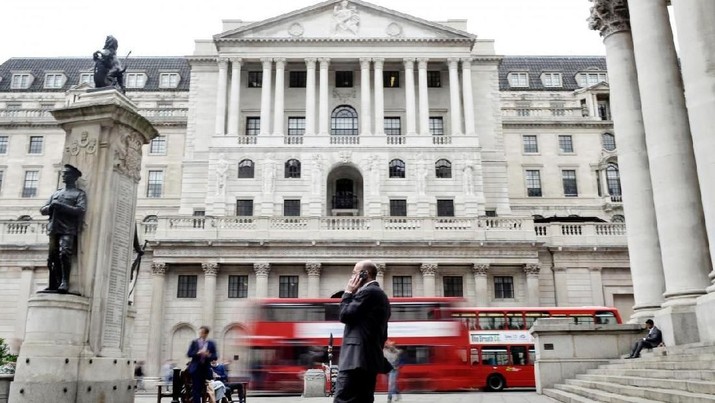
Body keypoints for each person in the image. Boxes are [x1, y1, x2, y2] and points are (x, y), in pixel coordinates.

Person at [333, 260, 392, 403]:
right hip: (367, 360)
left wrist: (348, 293)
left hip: (355, 360)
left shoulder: (368, 292)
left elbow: (345, 315)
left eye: (354, 273)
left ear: (363, 274)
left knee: (343, 399)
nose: (351, 278)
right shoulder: (381, 295)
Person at [39, 164, 87, 293]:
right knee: (51, 258)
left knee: (65, 253)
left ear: (74, 177)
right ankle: (53, 283)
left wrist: (61, 206)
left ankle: (65, 282)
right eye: (63, 173)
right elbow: (43, 210)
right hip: (54, 228)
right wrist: (51, 207)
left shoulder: (79, 194)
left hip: (68, 229)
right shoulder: (56, 193)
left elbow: (81, 210)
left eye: (67, 174)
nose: (64, 176)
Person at [187, 326, 218, 403]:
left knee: (203, 389)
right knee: (196, 389)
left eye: (202, 333)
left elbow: (215, 356)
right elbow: (189, 354)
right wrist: (198, 353)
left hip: (205, 369)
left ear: (206, 333)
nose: (200, 334)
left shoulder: (211, 344)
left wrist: (208, 355)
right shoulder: (194, 342)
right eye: (200, 332)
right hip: (196, 369)